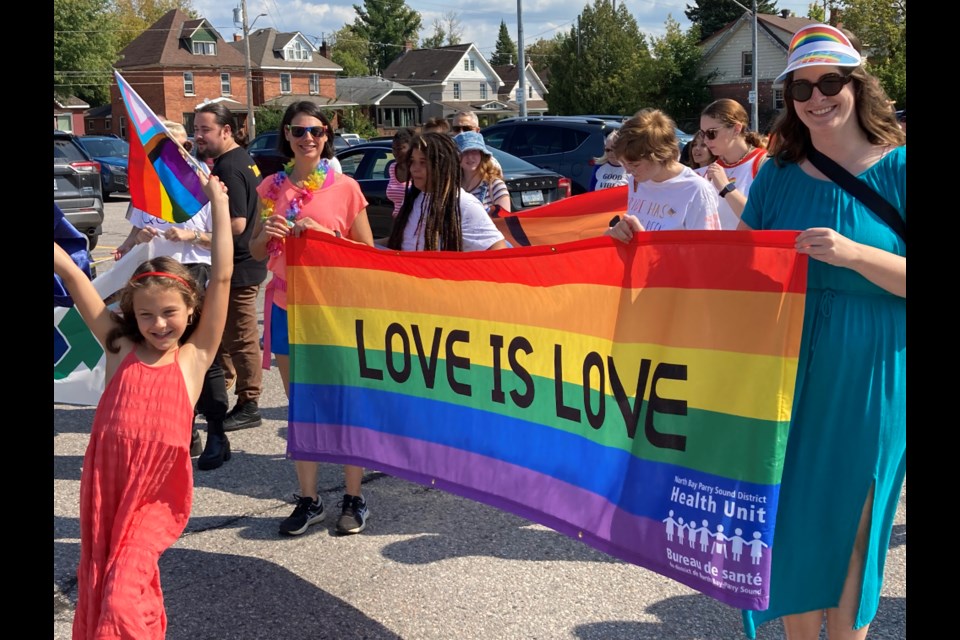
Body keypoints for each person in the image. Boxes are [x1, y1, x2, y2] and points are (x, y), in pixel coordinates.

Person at [736, 23, 905, 640]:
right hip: (788, 360)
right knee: (792, 514)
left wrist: (855, 255)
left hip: (874, 360)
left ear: (857, 85)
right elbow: (732, 267)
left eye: (829, 81)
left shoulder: (902, 167)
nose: (816, 97)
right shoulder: (778, 174)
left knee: (858, 516)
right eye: (801, 87)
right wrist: (638, 247)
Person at [55, 172, 232, 639]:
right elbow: (74, 277)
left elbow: (224, 276)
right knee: (109, 577)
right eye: (146, 314)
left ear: (191, 311)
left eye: (170, 313)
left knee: (120, 591)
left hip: (156, 490)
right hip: (108, 479)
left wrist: (216, 202)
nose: (158, 324)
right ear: (131, 315)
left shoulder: (195, 358)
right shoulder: (118, 346)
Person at [247, 101, 376, 537]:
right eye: (299, 131)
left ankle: (354, 498)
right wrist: (266, 234)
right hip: (286, 308)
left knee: (344, 402)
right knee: (302, 404)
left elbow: (368, 256)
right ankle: (309, 499)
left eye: (316, 132)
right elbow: (255, 252)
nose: (308, 139)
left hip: (335, 312)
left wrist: (328, 237)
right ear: (286, 134)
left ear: (327, 137)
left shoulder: (345, 188)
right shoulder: (270, 187)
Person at [113, 121, 233, 470]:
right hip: (152, 281)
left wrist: (191, 237)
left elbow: (224, 242)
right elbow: (133, 234)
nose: (175, 155)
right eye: (165, 148)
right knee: (161, 356)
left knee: (200, 355)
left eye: (180, 146)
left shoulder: (203, 185)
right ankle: (183, 427)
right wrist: (129, 244)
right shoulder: (149, 184)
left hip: (193, 277)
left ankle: (215, 431)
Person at [194, 103, 267, 433]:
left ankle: (249, 402)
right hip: (242, 262)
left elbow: (236, 223)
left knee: (240, 335)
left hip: (238, 265)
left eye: (205, 130)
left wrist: (195, 236)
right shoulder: (242, 160)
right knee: (222, 333)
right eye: (196, 129)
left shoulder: (228, 167)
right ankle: (217, 395)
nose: (198, 136)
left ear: (226, 131)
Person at [605, 108, 720, 238]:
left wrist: (647, 243)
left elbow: (706, 252)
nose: (627, 171)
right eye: (622, 163)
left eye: (634, 164)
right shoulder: (637, 180)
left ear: (659, 155)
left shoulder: (697, 190)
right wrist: (616, 233)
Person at [388, 132, 507, 252]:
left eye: (423, 162)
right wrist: (370, 248)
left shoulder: (464, 204)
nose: (414, 168)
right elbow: (400, 241)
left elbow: (498, 250)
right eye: (412, 161)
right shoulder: (411, 199)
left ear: (441, 166)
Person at [698, 98, 769, 229]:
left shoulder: (764, 164)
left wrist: (726, 187)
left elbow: (762, 221)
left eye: (711, 133)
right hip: (718, 248)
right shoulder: (709, 169)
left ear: (736, 129)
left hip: (749, 248)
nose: (706, 140)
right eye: (702, 134)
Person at [454, 130, 511, 214]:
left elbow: (504, 221)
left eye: (474, 151)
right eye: (464, 152)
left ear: (482, 155)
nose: (470, 157)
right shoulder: (453, 187)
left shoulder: (495, 185)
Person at [386, 127, 416, 219]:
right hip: (397, 223)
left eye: (399, 149)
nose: (395, 153)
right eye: (393, 149)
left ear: (411, 148)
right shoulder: (392, 168)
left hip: (413, 222)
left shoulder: (417, 170)